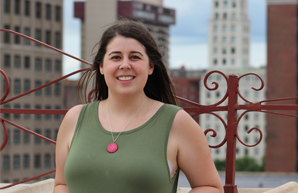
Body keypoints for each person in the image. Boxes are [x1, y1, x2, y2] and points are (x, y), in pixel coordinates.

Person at [53, 20, 223, 193]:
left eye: (135, 57)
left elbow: (210, 187)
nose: (125, 65)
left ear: (150, 67)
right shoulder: (74, 118)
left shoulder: (176, 122)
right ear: (102, 67)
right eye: (116, 57)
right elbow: (62, 184)